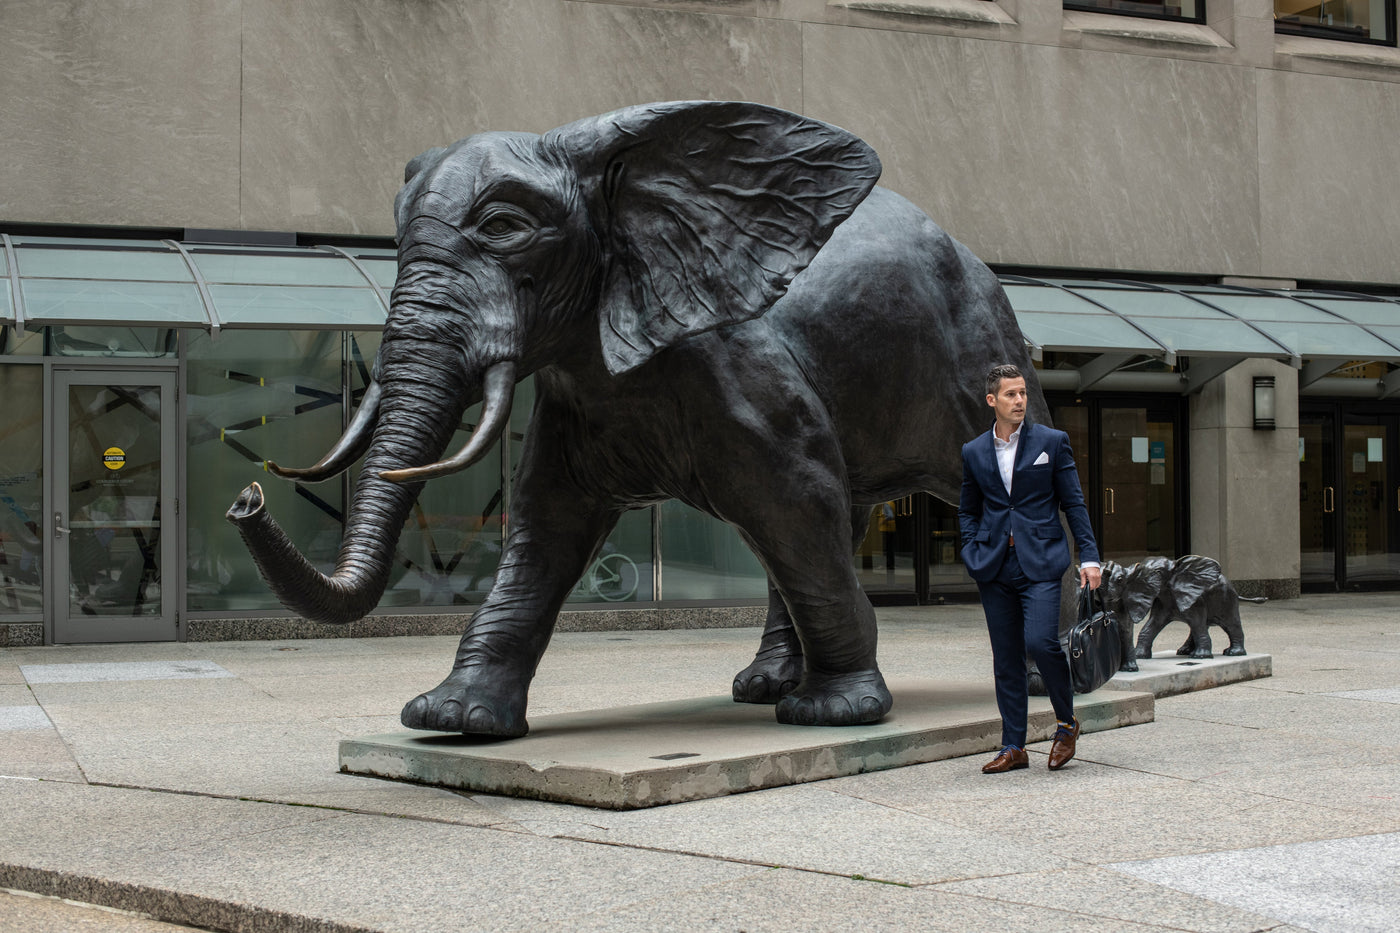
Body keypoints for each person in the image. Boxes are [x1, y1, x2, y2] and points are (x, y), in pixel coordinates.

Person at [958, 363, 1101, 773]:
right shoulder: (974, 451)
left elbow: (1073, 503)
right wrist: (972, 549)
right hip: (993, 565)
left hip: (1040, 562)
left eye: (1022, 393)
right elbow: (968, 508)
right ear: (992, 401)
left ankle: (1065, 723)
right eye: (1010, 394)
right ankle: (1013, 746)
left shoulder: (1051, 442)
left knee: (1040, 643)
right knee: (1006, 658)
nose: (1020, 400)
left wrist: (1088, 557)